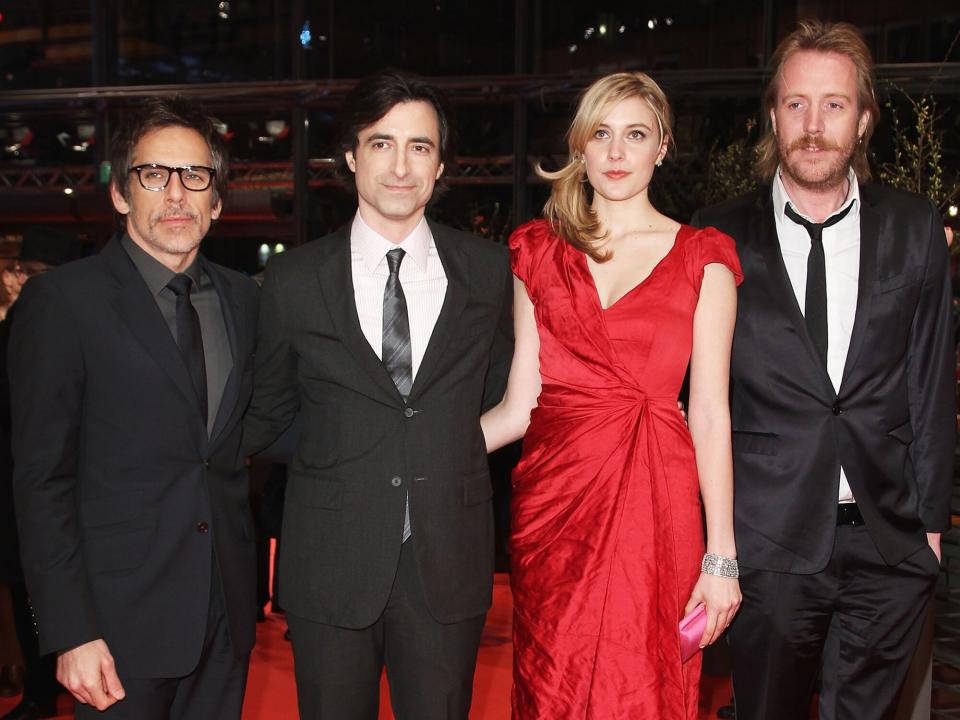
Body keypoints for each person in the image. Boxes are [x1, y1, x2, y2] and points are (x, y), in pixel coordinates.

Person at [691, 20, 954, 720]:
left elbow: (929, 379)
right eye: (796, 104)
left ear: (864, 120)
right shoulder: (715, 235)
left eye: (834, 105)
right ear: (773, 116)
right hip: (768, 541)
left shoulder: (915, 225)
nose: (814, 125)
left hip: (888, 541)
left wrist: (931, 527)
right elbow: (704, 398)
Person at [242, 70, 513, 719]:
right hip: (328, 564)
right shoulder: (293, 280)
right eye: (382, 143)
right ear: (351, 156)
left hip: (447, 563)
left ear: (440, 162)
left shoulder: (488, 270)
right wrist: (349, 449)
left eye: (419, 146)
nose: (400, 165)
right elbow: (268, 414)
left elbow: (504, 388)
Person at [481, 71, 743, 719]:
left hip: (659, 509)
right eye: (602, 134)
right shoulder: (536, 252)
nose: (617, 152)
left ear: (661, 147)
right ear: (581, 147)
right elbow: (520, 403)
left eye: (635, 135)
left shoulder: (703, 258)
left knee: (647, 683)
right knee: (551, 688)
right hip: (555, 512)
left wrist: (723, 558)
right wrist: (410, 450)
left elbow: (710, 413)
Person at [8, 97, 260, 719]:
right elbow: (41, 481)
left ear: (217, 201)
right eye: (155, 175)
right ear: (122, 194)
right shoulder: (62, 302)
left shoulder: (246, 301)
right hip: (114, 629)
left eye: (195, 177)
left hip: (224, 619)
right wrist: (67, 630)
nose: (177, 193)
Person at [0, 227, 78, 720]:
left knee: (39, 585)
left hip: (47, 483)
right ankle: (38, 683)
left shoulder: (62, 324)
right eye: (21, 271)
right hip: (17, 480)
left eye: (30, 273)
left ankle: (41, 686)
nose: (20, 279)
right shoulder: (17, 325)